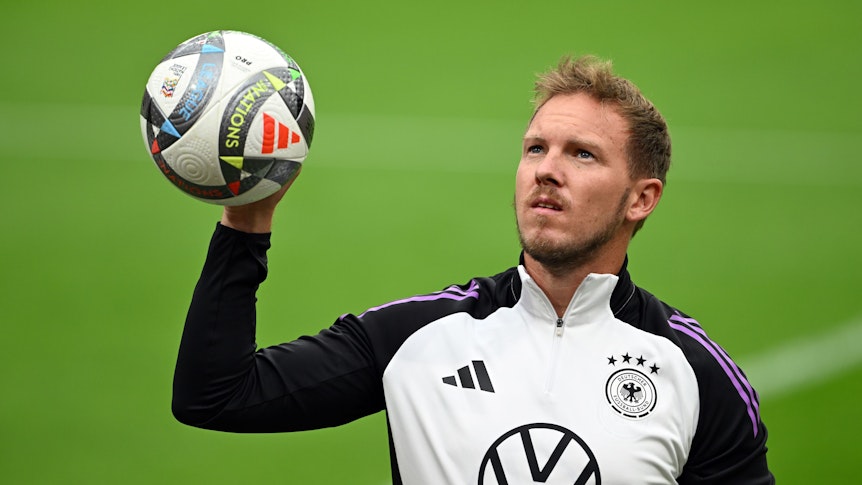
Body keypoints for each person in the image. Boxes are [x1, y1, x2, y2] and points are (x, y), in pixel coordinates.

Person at [172, 55, 774, 484]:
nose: (546, 169)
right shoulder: (420, 339)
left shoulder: (694, 373)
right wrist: (246, 223)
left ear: (641, 198)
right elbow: (217, 396)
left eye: (582, 154)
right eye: (536, 148)